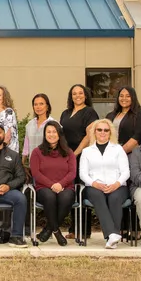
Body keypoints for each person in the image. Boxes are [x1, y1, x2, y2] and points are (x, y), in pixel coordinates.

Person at [79, 119, 130, 249]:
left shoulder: (118, 149)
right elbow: (83, 173)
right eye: (99, 130)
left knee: (114, 197)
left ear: (110, 133)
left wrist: (116, 184)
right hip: (94, 187)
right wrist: (94, 183)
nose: (102, 132)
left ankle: (111, 237)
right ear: (94, 132)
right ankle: (113, 235)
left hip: (117, 186)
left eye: (106, 130)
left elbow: (126, 172)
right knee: (98, 196)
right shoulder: (87, 151)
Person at [59, 84, 99, 239]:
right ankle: (74, 228)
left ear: (86, 95)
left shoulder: (89, 112)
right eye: (74, 93)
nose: (77, 96)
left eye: (80, 93)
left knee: (81, 191)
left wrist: (75, 153)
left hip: (81, 156)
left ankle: (83, 230)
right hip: (67, 156)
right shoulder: (65, 113)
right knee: (71, 191)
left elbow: (89, 136)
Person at [29, 121, 76, 246]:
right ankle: (56, 231)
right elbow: (36, 173)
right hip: (43, 188)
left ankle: (48, 229)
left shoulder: (69, 152)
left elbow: (72, 172)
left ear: (59, 134)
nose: (51, 134)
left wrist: (60, 184)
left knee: (67, 197)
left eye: (54, 132)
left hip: (65, 187)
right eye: (48, 132)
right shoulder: (37, 152)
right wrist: (51, 185)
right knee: (49, 197)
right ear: (44, 135)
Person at [105, 86, 141, 155]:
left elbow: (138, 137)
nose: (124, 99)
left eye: (128, 96)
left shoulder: (140, 114)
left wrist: (120, 153)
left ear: (133, 98)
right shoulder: (110, 115)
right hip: (110, 154)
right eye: (121, 96)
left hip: (131, 155)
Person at [22, 93, 55, 165]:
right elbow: (26, 147)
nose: (38, 107)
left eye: (41, 104)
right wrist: (22, 164)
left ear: (47, 106)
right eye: (35, 104)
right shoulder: (29, 124)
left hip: (49, 166)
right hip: (33, 166)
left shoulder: (54, 124)